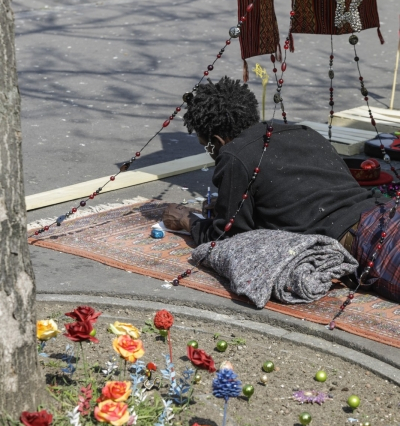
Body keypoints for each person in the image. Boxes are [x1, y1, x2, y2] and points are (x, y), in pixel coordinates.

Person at [162, 76, 399, 302]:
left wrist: (187, 220)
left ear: (218, 140)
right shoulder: (302, 132)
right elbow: (299, 193)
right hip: (384, 213)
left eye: (207, 147)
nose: (211, 154)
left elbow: (226, 238)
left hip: (365, 240)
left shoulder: (234, 155)